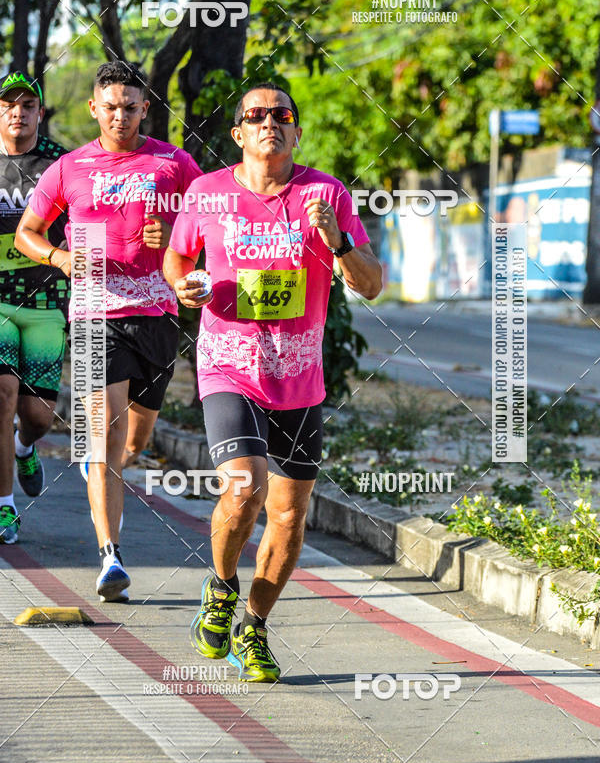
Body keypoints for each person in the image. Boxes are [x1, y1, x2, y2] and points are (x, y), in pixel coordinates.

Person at [163, 82, 382, 682]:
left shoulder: (325, 193)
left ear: (295, 130)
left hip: (299, 379)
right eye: (255, 116)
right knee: (245, 487)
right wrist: (185, 286)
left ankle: (253, 629)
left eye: (281, 115)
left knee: (289, 517)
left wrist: (335, 240)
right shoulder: (206, 194)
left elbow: (371, 284)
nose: (269, 124)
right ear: (238, 133)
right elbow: (177, 262)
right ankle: (220, 585)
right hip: (228, 366)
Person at [15, 61, 202, 600]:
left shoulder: (174, 162)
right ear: (93, 109)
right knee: (103, 436)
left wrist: (174, 234)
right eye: (110, 107)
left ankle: (101, 472)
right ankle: (110, 556)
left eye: (130, 107)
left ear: (146, 109)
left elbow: (211, 222)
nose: (120, 116)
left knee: (135, 442)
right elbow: (28, 231)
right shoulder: (70, 167)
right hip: (96, 313)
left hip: (158, 313)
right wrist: (59, 257)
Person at [0, 71, 68, 545]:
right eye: (8, 105)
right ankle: (5, 506)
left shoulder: (62, 164)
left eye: (27, 105)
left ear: (40, 113)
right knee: (1, 396)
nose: (17, 113)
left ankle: (25, 446)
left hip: (47, 302)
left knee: (38, 416)